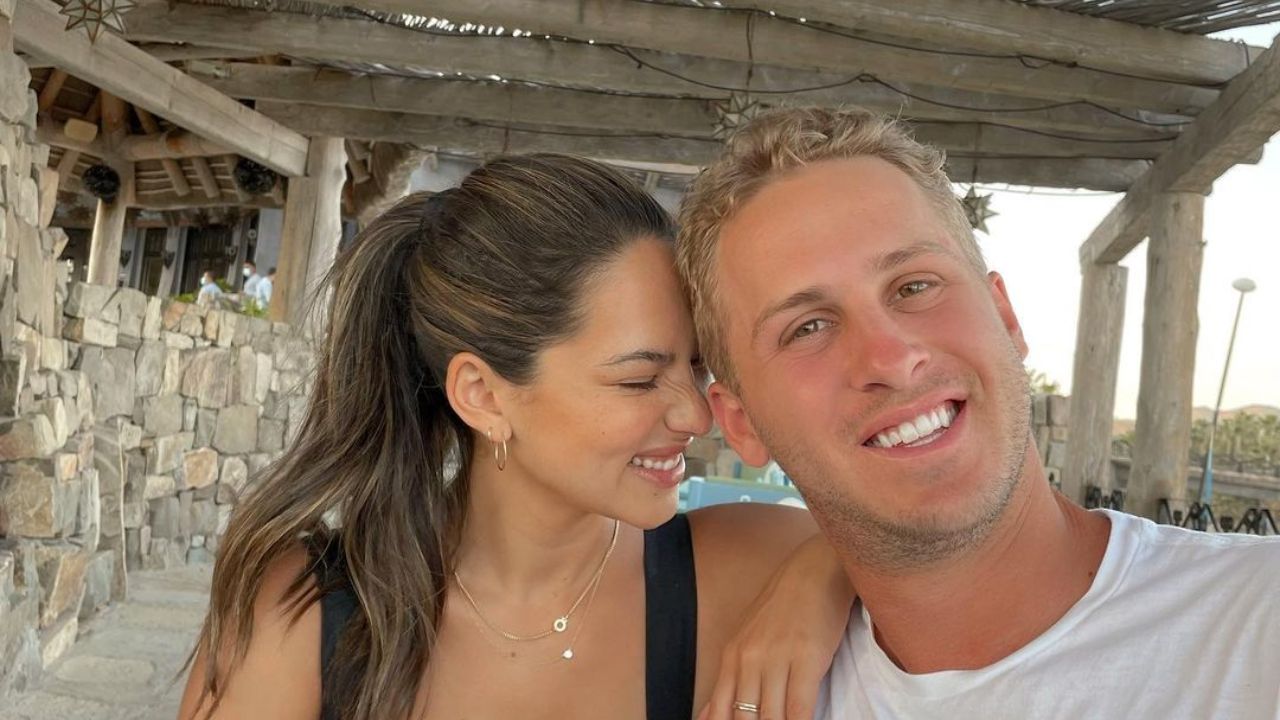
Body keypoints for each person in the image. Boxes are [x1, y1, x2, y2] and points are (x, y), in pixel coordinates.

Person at [179, 155, 854, 720]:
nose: (696, 417)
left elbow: (941, 536)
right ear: (483, 395)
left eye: (697, 367)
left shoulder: (760, 567)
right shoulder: (302, 613)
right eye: (639, 380)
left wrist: (830, 574)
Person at [677, 106, 1280, 719]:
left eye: (914, 286)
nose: (891, 356)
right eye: (807, 327)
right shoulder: (733, 680)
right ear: (740, 422)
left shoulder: (1258, 623)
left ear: (1006, 318)